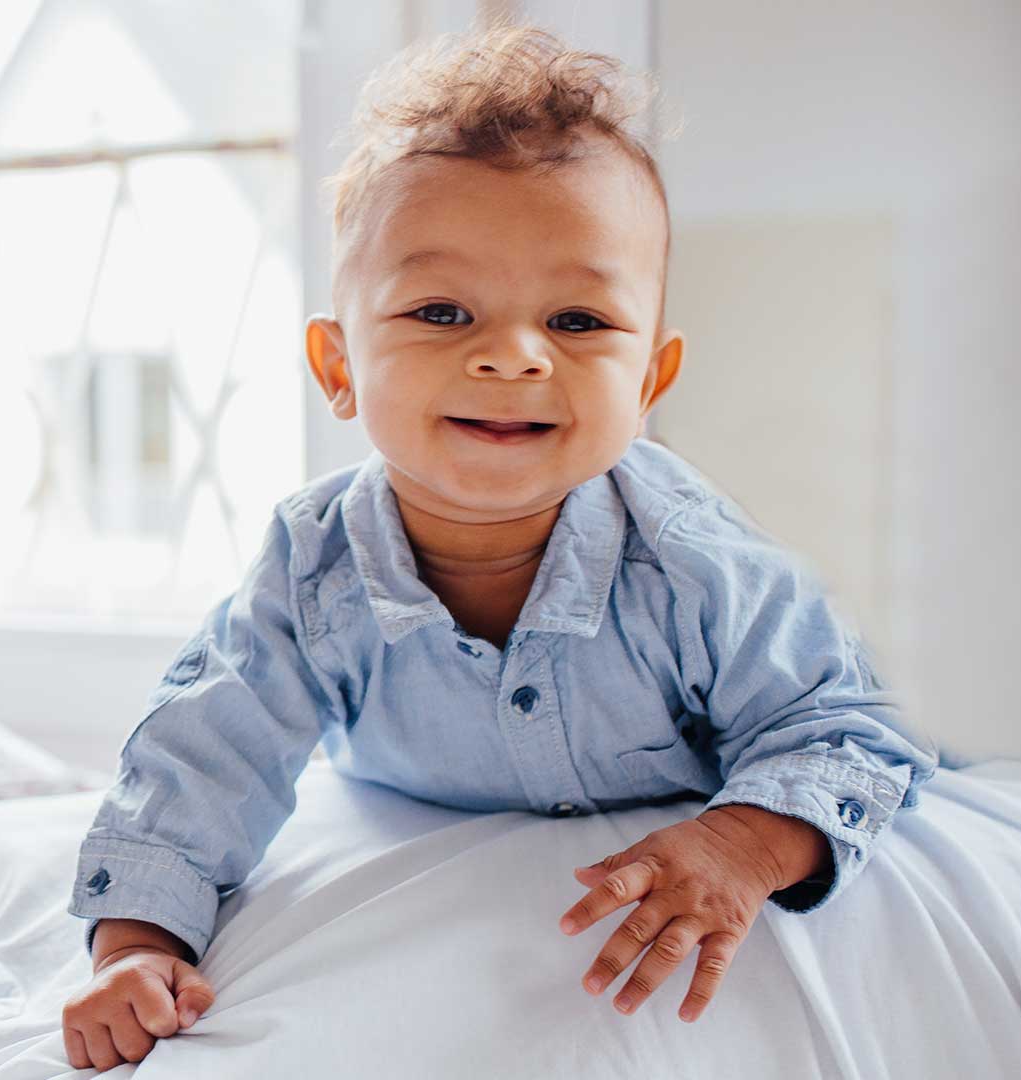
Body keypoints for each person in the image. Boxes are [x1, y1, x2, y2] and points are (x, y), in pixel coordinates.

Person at [61, 19, 938, 1072]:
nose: (512, 355)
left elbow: (848, 722)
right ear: (336, 366)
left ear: (651, 383)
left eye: (577, 321)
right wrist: (138, 943)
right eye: (442, 310)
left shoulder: (695, 558)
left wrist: (743, 841)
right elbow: (199, 761)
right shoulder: (313, 569)